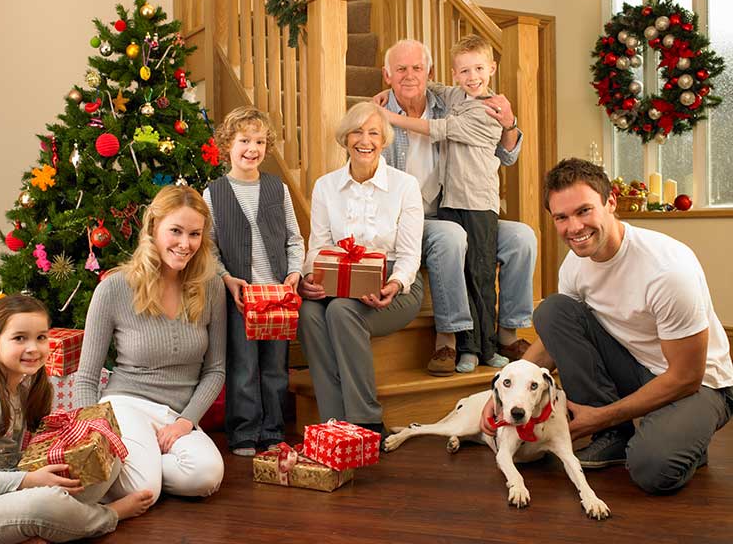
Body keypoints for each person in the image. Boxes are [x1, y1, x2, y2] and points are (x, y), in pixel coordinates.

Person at [482, 158, 733, 493]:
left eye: (584, 211)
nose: (574, 227)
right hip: (634, 363)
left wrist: (601, 415)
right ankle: (615, 436)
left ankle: (673, 437)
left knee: (652, 469)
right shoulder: (574, 264)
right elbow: (555, 337)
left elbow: (687, 376)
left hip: (701, 383)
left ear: (610, 201)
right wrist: (502, 390)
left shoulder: (668, 270)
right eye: (561, 217)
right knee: (552, 311)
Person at [0, 295, 153, 544]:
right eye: (19, 338)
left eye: (41, 337)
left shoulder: (27, 383)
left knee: (107, 453)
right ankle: (107, 516)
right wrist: (30, 480)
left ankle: (48, 526)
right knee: (45, 503)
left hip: (10, 487)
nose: (33, 348)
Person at [376, 38, 537, 376]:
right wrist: (382, 111)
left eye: (417, 68)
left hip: (458, 206)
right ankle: (449, 339)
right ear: (386, 75)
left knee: (522, 237)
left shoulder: (449, 102)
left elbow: (506, 155)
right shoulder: (375, 118)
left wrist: (509, 124)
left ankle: (508, 332)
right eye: (400, 69)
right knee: (451, 237)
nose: (410, 76)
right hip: (407, 222)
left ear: (430, 72)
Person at [75, 185, 226, 505]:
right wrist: (96, 430)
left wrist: (186, 422)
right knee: (145, 491)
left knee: (207, 475)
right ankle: (137, 467)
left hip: (177, 414)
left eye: (195, 234)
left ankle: (133, 465)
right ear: (153, 227)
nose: (185, 244)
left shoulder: (211, 286)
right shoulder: (115, 287)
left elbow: (215, 370)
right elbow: (87, 376)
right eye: (176, 231)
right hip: (127, 405)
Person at [297, 101, 424, 437]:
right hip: (341, 278)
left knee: (341, 312)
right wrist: (310, 277)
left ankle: (366, 420)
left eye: (373, 133)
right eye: (357, 131)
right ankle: (334, 423)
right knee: (309, 312)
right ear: (345, 139)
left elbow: (411, 256)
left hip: (396, 284)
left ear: (383, 140)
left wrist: (394, 284)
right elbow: (319, 246)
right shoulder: (326, 186)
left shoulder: (405, 185)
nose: (364, 140)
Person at [203, 106, 305, 456]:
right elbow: (209, 247)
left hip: (277, 295)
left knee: (275, 367)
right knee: (243, 366)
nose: (252, 148)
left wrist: (295, 272)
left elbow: (294, 238)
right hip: (240, 297)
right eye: (244, 140)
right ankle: (244, 432)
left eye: (259, 141)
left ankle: (273, 430)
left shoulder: (278, 189)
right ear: (227, 145)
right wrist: (226, 278)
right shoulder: (213, 192)